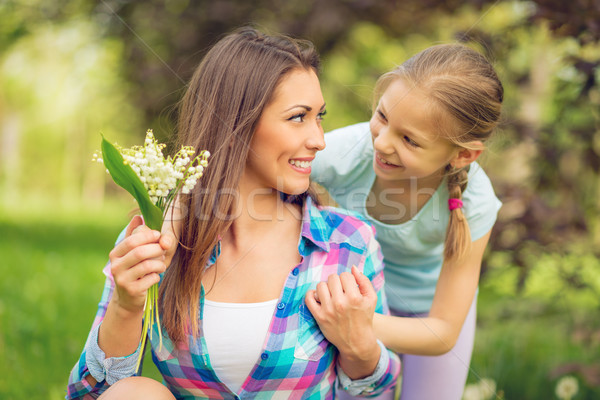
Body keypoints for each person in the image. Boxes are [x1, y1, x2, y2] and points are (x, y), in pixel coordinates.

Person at [66, 27, 400, 399]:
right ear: (236, 124)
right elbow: (91, 394)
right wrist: (127, 305)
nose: (319, 139)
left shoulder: (347, 244)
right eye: (298, 117)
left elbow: (377, 394)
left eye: (319, 116)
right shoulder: (157, 242)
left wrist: (360, 348)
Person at [306, 43, 503, 400]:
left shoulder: (475, 202)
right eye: (382, 117)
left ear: (463, 154)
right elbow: (265, 165)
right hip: (358, 298)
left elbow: (442, 332)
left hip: (429, 315)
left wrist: (359, 323)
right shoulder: (352, 151)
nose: (382, 143)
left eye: (409, 140)